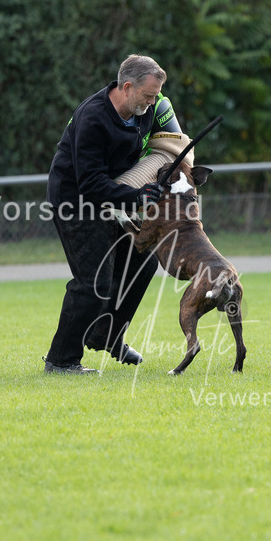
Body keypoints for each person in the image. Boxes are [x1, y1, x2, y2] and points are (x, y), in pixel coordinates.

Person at [43, 55, 183, 374]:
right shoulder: (93, 118)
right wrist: (135, 195)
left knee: (143, 260)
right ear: (127, 86)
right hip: (76, 200)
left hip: (116, 196)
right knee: (94, 282)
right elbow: (90, 183)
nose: (152, 102)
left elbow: (174, 142)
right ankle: (61, 360)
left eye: (156, 95)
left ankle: (107, 334)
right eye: (148, 95)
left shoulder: (145, 108)